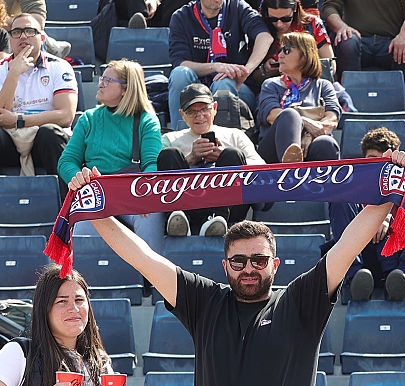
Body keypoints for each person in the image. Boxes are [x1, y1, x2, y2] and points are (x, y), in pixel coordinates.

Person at [68, 183, 393, 386]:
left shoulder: (299, 302)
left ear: (275, 264)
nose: (249, 268)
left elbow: (349, 245)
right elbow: (143, 258)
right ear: (225, 266)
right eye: (238, 262)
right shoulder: (204, 301)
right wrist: (95, 210)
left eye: (259, 260)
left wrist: (389, 186)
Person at [0, 266, 134, 386]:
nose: (74, 309)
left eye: (79, 300)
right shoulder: (20, 352)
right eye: (62, 301)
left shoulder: (100, 362)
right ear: (44, 309)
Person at [58, 60, 162, 249]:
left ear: (125, 89)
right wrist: (78, 178)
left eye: (107, 80)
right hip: (96, 194)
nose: (100, 84)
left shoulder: (147, 120)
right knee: (80, 238)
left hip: (132, 194)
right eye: (101, 78)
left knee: (151, 215)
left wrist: (147, 195)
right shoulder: (89, 118)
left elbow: (151, 164)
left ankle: (152, 279)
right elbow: (67, 161)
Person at [334, 126, 405, 302]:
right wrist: (375, 220)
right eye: (371, 159)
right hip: (364, 263)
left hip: (401, 264)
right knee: (340, 201)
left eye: (383, 161)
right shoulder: (352, 197)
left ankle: (402, 278)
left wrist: (388, 216)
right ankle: (354, 277)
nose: (377, 165)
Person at [167, 0, 274, 129]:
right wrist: (216, 66)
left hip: (235, 86)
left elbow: (264, 36)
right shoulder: (181, 16)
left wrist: (246, 70)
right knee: (180, 74)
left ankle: (223, 144)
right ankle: (180, 137)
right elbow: (180, 63)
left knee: (223, 83)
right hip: (197, 85)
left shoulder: (236, 6)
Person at [159, 82, 264, 237]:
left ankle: (218, 218)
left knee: (232, 154)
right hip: (186, 205)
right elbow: (153, 176)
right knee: (170, 154)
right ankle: (177, 218)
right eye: (192, 111)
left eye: (204, 109)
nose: (199, 116)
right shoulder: (170, 138)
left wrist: (222, 157)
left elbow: (262, 169)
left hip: (228, 208)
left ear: (214, 108)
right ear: (182, 114)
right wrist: (190, 159)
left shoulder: (235, 135)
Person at [0, 14, 77, 176]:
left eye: (30, 31)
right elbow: (1, 115)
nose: (23, 36)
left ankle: (65, 199)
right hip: (10, 141)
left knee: (50, 134)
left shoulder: (59, 67)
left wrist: (19, 120)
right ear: (10, 39)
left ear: (42, 38)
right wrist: (13, 74)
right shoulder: (1, 69)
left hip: (44, 141)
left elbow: (66, 116)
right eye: (17, 32)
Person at [256, 31, 340, 163]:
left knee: (325, 143)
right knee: (290, 114)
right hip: (272, 151)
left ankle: (322, 182)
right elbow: (272, 116)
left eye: (287, 50)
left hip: (310, 144)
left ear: (305, 56)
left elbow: (331, 120)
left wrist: (309, 135)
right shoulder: (271, 85)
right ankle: (291, 171)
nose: (280, 55)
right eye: (280, 50)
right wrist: (305, 122)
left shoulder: (323, 86)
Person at [251, 0, 333, 88]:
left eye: (285, 19)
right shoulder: (260, 28)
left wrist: (299, 68)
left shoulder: (312, 24)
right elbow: (250, 73)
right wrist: (265, 70)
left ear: (294, 9)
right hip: (275, 88)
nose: (279, 24)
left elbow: (330, 65)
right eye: (273, 19)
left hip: (312, 86)